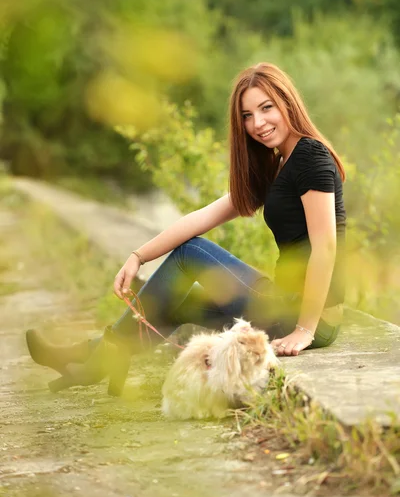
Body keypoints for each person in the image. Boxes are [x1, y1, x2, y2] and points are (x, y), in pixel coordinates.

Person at [26, 62, 346, 396]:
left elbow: (326, 247)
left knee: (190, 253)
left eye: (267, 108)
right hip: (284, 301)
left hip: (309, 315)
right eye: (247, 116)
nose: (258, 124)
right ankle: (101, 354)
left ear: (287, 102)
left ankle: (96, 359)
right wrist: (138, 255)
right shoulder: (279, 164)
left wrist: (305, 329)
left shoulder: (310, 156)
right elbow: (202, 217)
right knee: (181, 296)